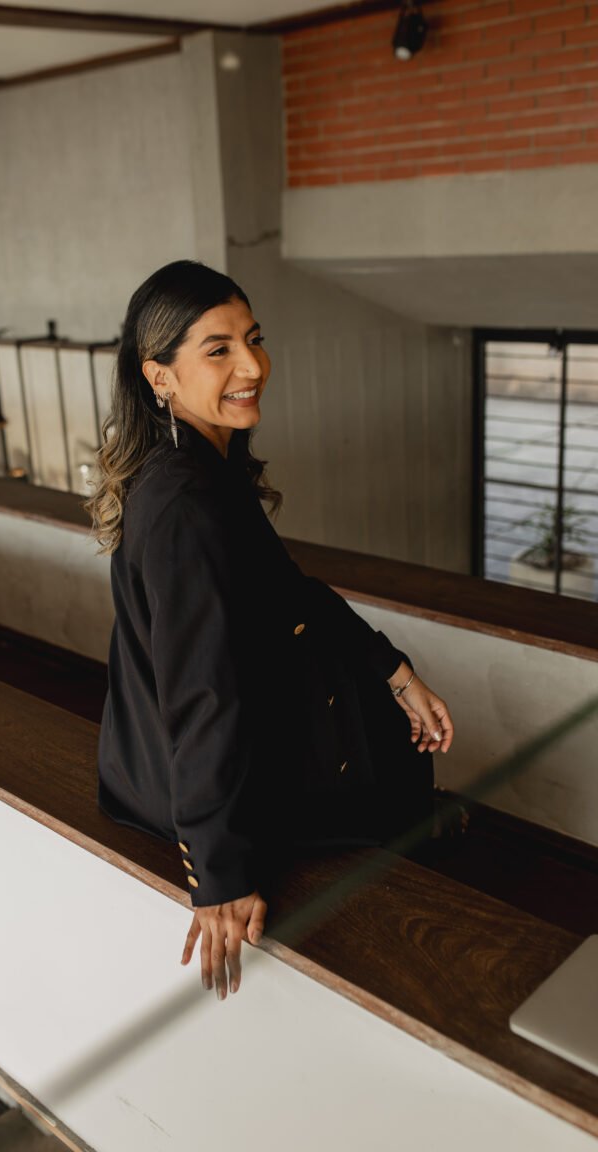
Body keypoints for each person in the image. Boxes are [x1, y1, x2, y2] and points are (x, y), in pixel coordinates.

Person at [87, 260, 455, 1002]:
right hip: (183, 783)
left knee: (388, 744)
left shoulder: (200, 462)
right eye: (218, 349)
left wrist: (396, 671)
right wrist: (218, 874)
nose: (252, 366)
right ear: (160, 376)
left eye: (253, 339)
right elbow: (202, 695)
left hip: (197, 747)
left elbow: (289, 589)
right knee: (388, 781)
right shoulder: (186, 502)